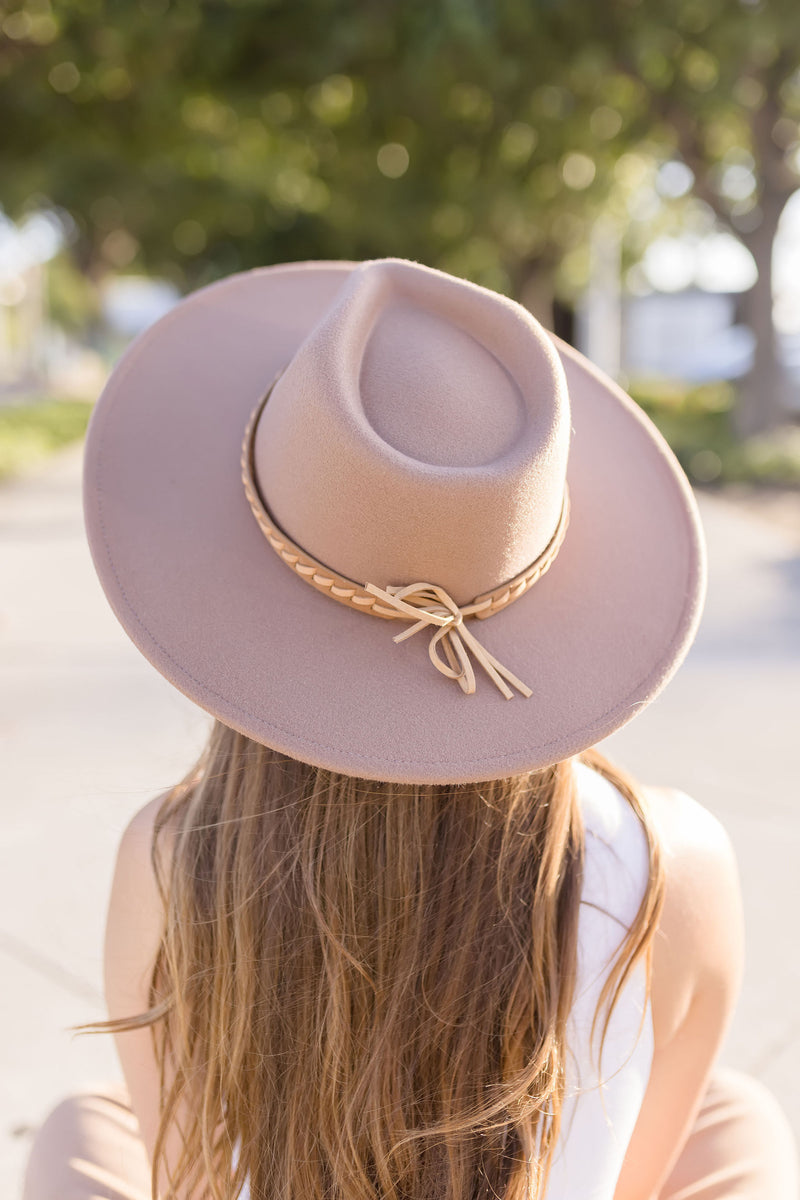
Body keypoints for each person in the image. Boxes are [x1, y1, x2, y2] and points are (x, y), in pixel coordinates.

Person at [22, 258, 798, 1200]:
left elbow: (190, 1179)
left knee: (81, 1128)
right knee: (738, 1117)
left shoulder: (171, 856)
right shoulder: (677, 864)